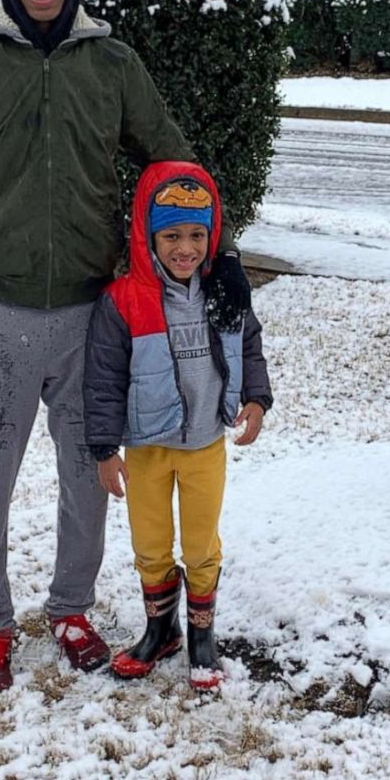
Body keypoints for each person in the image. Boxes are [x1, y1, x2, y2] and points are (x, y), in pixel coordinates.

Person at [0, 0, 251, 691]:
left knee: (88, 478)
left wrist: (218, 251)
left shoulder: (112, 65)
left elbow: (170, 160)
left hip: (95, 319)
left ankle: (70, 607)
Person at [83, 160, 272, 691]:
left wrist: (256, 398)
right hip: (146, 448)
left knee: (200, 542)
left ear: (212, 238)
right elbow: (101, 379)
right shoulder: (122, 301)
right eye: (171, 235)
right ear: (147, 235)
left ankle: (202, 636)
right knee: (151, 541)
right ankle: (159, 629)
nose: (184, 248)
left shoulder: (224, 291)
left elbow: (249, 344)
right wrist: (103, 448)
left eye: (196, 235)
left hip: (204, 444)